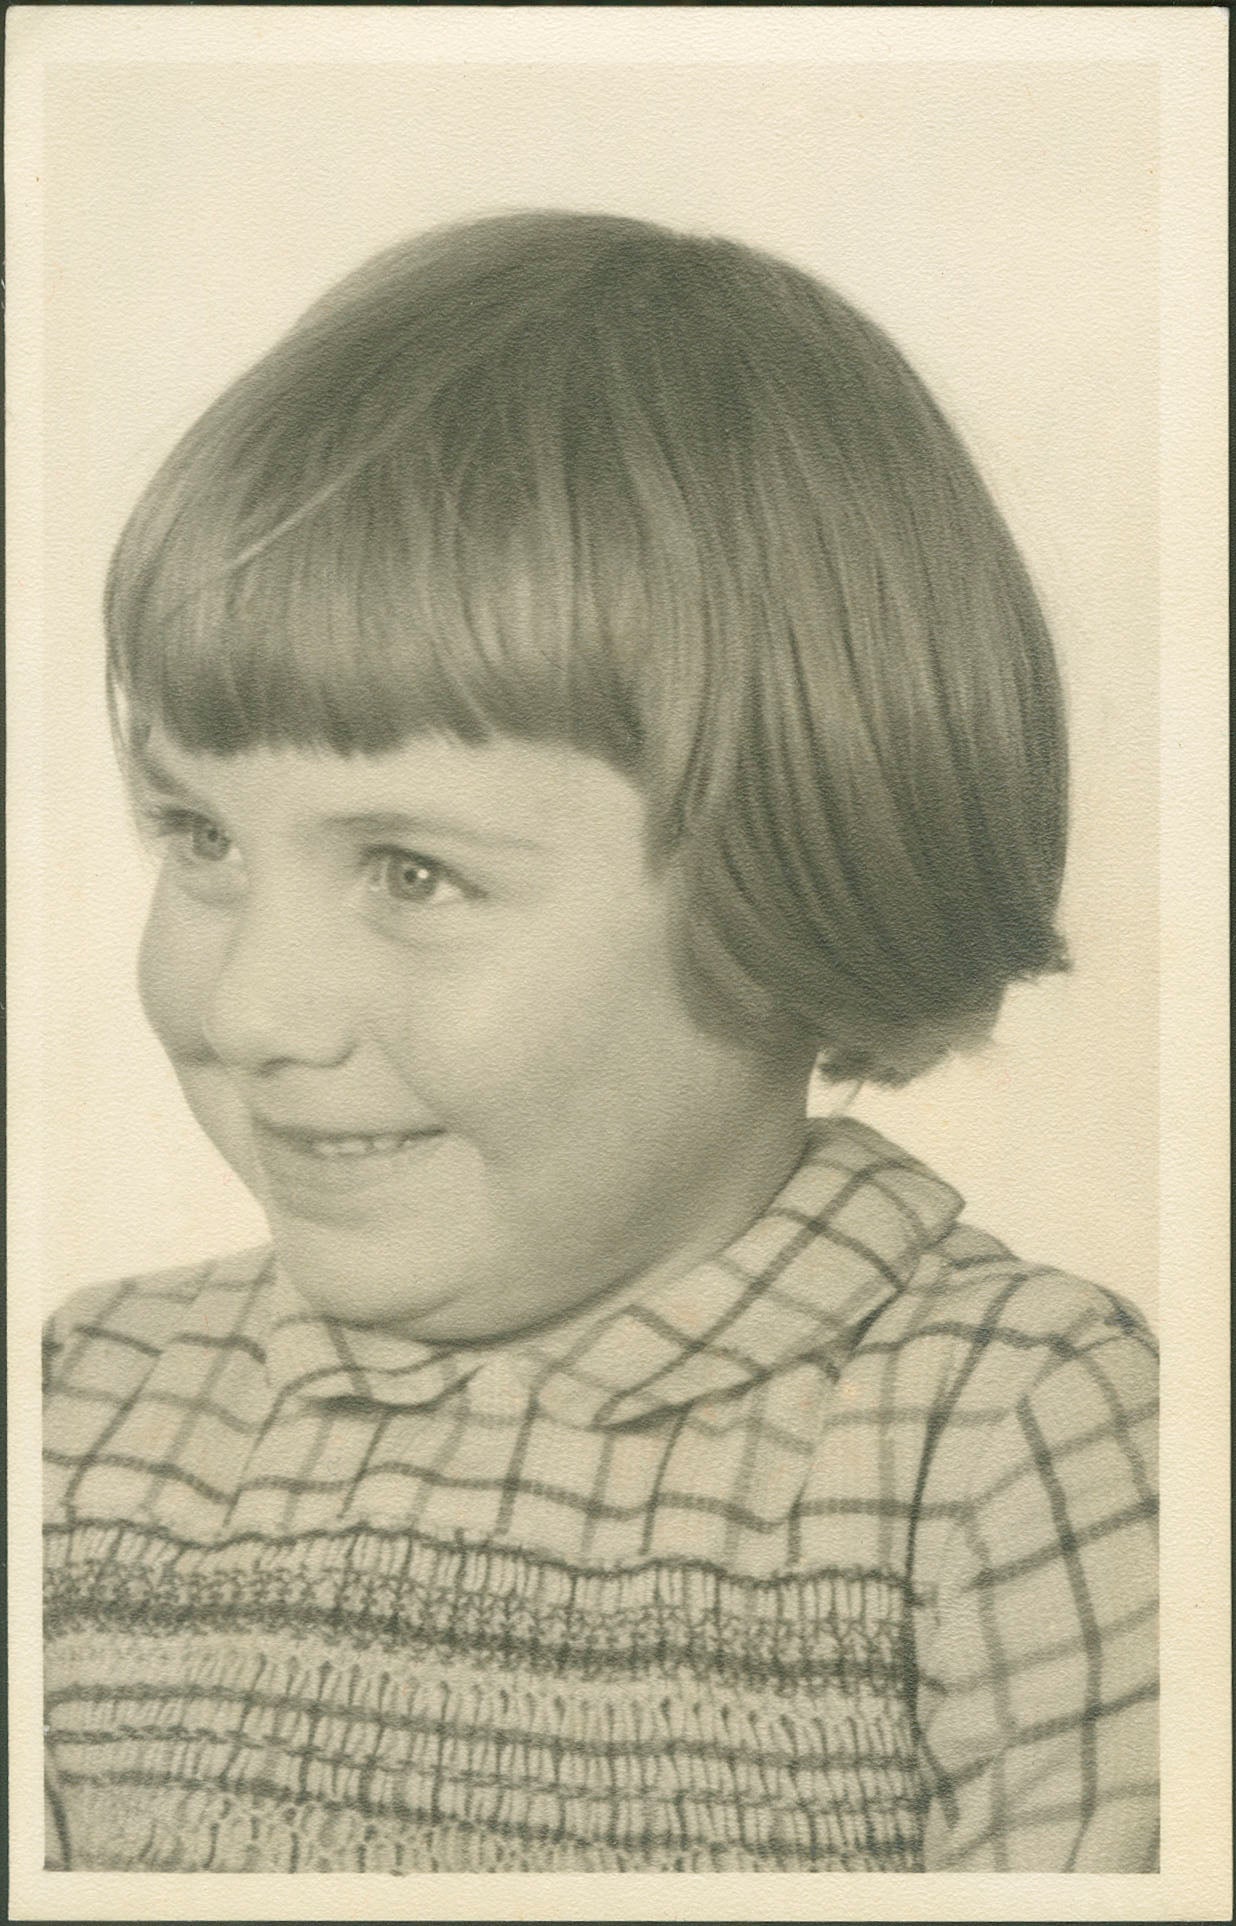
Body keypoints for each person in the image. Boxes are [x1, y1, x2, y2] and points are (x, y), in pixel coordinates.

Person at [42, 210, 1158, 1874]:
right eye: (199, 838)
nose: (246, 1007)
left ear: (789, 878)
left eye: (412, 871)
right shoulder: (84, 1413)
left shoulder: (1006, 1442)